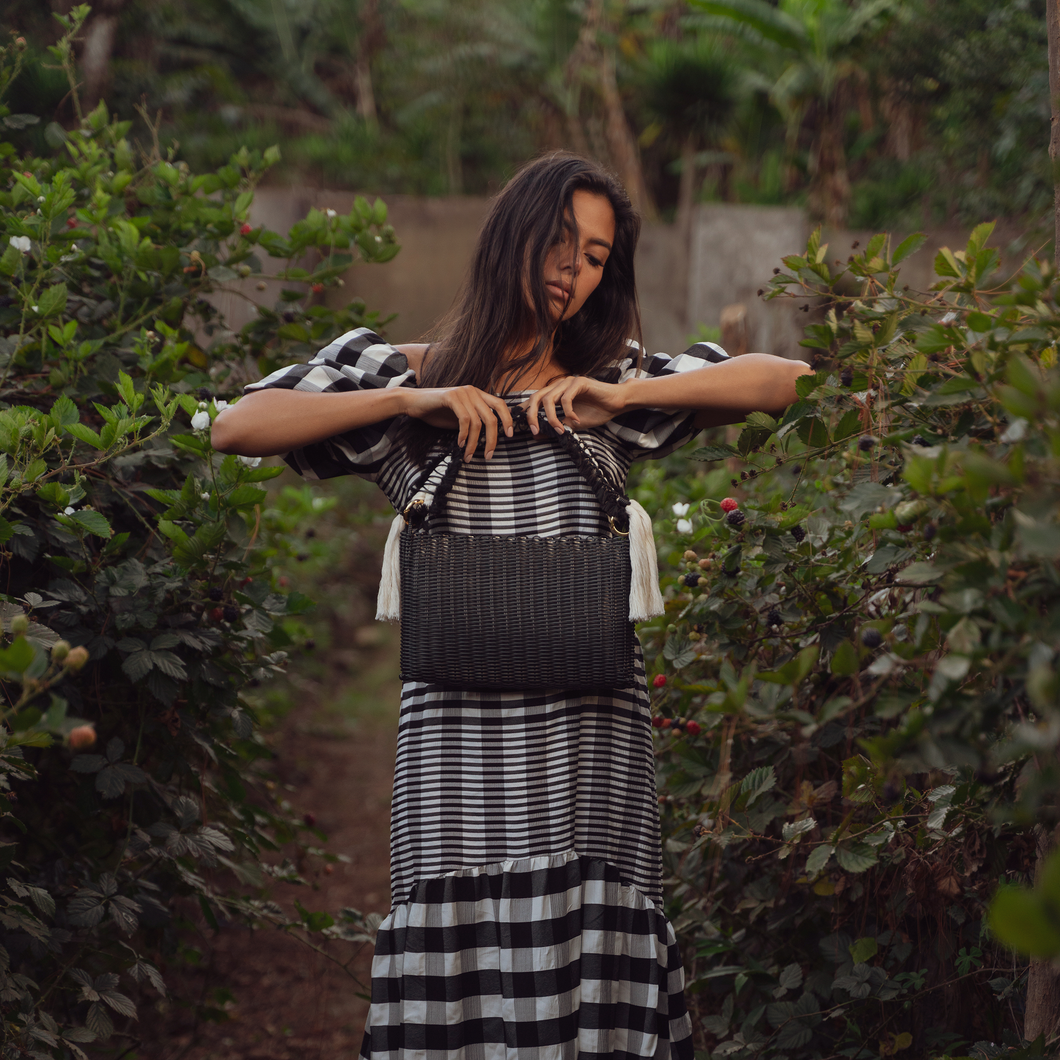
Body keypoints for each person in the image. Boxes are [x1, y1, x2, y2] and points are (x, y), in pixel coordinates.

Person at [213, 152, 811, 1060]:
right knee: (469, 979)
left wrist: (619, 392)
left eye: (600, 256)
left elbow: (786, 380)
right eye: (563, 242)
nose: (577, 270)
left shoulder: (610, 383)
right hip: (458, 761)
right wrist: (414, 396)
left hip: (593, 746)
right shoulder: (401, 378)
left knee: (592, 968)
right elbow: (237, 425)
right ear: (513, 235)